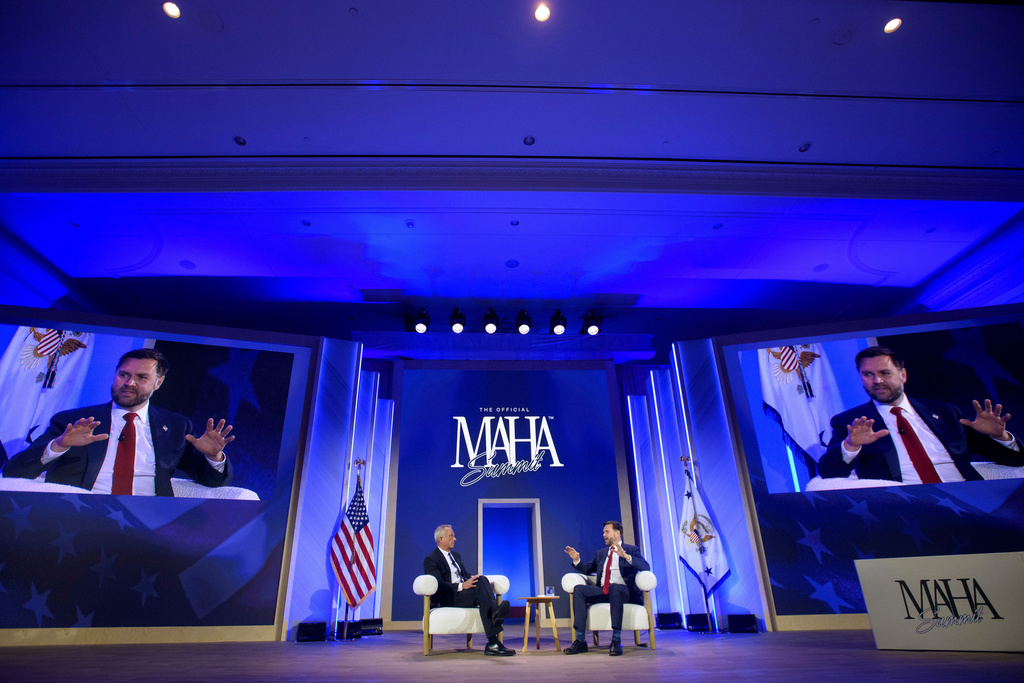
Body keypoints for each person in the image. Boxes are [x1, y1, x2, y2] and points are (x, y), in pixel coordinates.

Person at [2, 348, 234, 496]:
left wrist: (213, 457)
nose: (129, 383)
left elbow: (211, 482)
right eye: (124, 374)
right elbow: (14, 471)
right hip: (78, 517)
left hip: (149, 521)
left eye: (142, 377)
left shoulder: (175, 426)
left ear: (158, 383)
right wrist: (60, 445)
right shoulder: (72, 421)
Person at [817, 346, 1023, 484]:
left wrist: (1000, 437)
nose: (877, 381)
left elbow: (1016, 460)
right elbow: (829, 474)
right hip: (907, 509)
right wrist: (851, 446)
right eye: (868, 374)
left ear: (903, 375)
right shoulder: (851, 422)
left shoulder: (945, 413)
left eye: (885, 373)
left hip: (969, 498)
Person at [423, 524, 514, 656]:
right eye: (451, 536)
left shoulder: (456, 555)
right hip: (449, 597)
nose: (455, 539)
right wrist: (461, 586)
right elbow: (437, 584)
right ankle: (493, 636)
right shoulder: (431, 559)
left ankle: (493, 634)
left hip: (464, 594)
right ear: (441, 539)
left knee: (482, 580)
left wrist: (472, 580)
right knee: (484, 594)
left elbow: (464, 575)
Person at [563, 520, 650, 656]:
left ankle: (616, 640)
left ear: (617, 533)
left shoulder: (631, 550)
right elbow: (586, 569)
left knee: (615, 588)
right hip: (604, 590)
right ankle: (580, 641)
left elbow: (645, 567)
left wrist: (626, 556)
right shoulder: (601, 553)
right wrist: (576, 560)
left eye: (606, 532)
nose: (604, 535)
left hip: (623, 591)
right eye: (603, 532)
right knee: (579, 589)